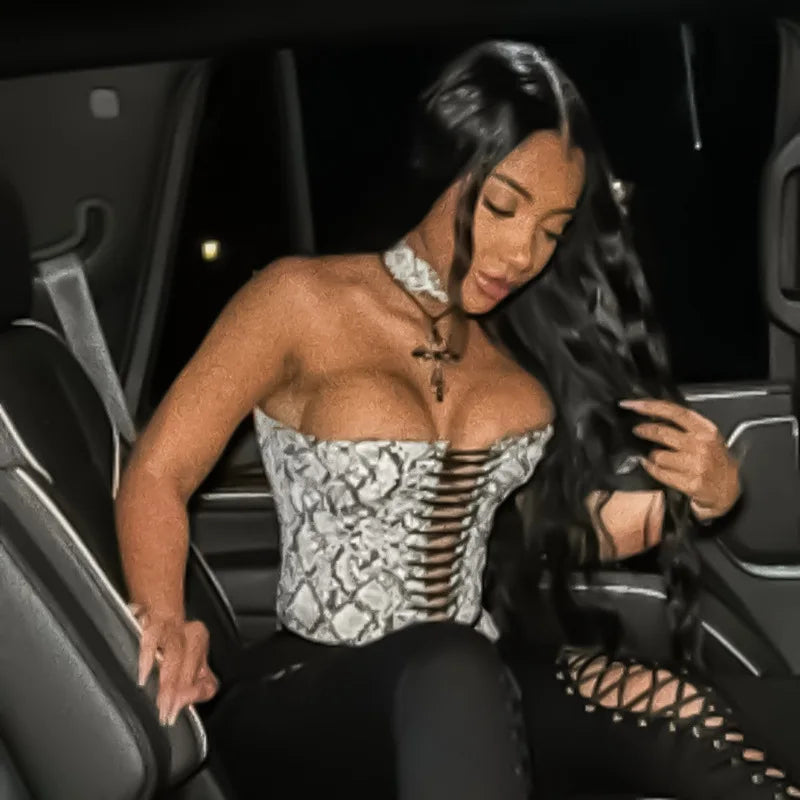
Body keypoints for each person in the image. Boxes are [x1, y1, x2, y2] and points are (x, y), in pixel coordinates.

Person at [115, 40, 800, 798]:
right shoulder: (300, 300)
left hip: (471, 679)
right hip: (310, 687)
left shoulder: (518, 355)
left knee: (674, 707)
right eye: (504, 205)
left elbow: (548, 532)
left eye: (551, 229)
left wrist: (700, 499)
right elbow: (159, 470)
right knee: (453, 664)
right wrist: (163, 616)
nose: (523, 252)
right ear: (442, 168)